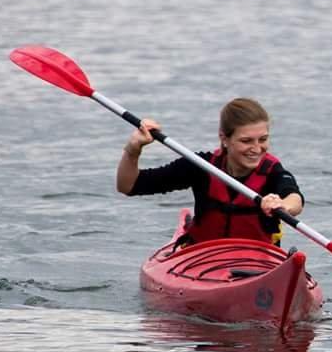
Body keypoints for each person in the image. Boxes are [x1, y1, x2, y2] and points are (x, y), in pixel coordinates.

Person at [116, 97, 304, 245]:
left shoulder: (271, 171)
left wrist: (282, 206)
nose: (256, 148)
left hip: (258, 262)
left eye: (262, 139)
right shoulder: (202, 166)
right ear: (224, 138)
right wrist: (134, 149)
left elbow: (295, 199)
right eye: (246, 141)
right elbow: (128, 186)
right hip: (204, 260)